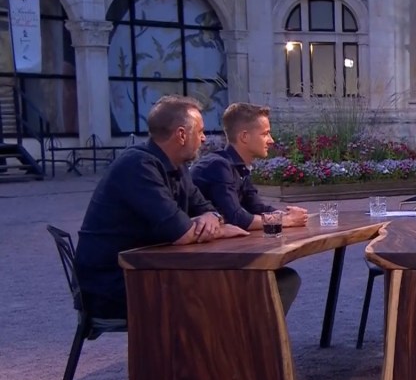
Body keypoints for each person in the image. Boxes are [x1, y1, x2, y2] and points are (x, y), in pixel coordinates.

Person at [75, 95, 250, 322]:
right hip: (113, 285)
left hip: (147, 270)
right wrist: (218, 229)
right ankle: (207, 346)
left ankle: (220, 345)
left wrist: (212, 217)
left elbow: (207, 209)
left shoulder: (178, 167)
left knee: (235, 284)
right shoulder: (138, 166)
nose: (204, 138)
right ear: (181, 135)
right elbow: (181, 233)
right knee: (218, 291)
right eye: (200, 131)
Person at [190, 102, 306, 313]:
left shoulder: (239, 166)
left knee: (286, 278)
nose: (271, 140)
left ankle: (253, 331)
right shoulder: (218, 165)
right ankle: (252, 331)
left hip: (223, 254)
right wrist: (287, 221)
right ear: (244, 137)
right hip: (202, 265)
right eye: (265, 134)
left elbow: (256, 206)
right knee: (284, 280)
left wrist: (286, 214)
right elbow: (238, 218)